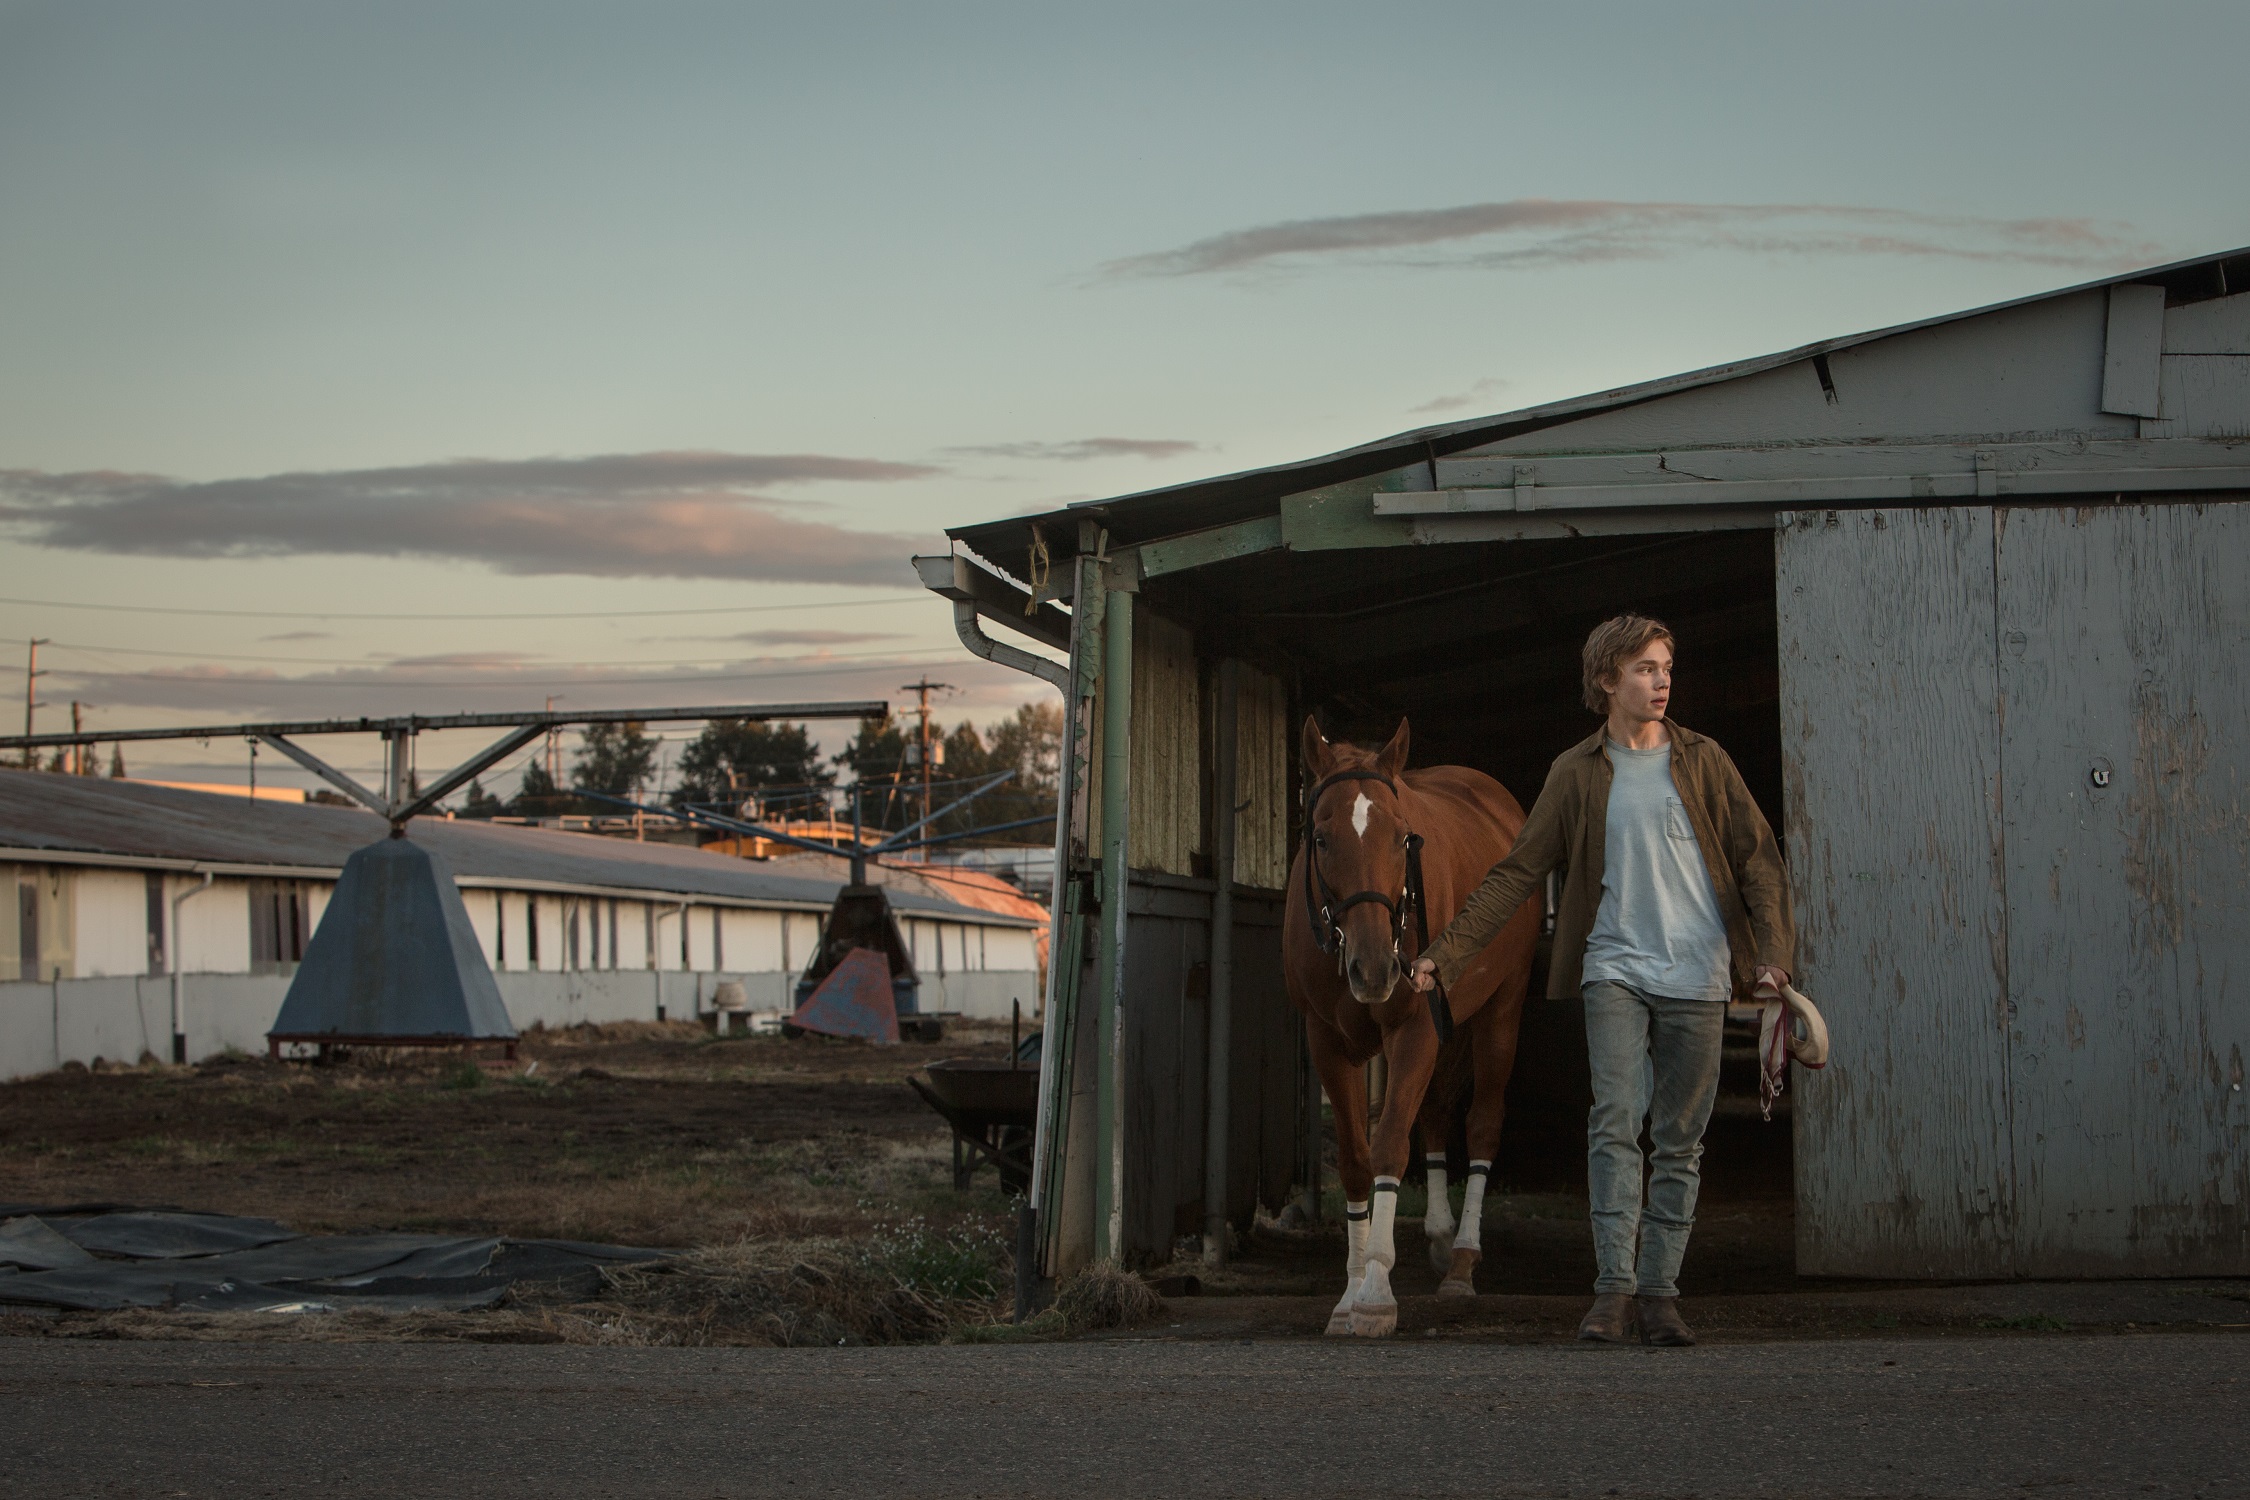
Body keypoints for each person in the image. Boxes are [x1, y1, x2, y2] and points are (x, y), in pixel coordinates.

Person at [1408, 613, 1794, 1347]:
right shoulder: (1575, 772)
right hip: (1614, 965)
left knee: (1680, 1140)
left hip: (1701, 972)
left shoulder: (1706, 761)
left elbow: (1760, 861)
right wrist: (1445, 955)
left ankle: (1660, 1295)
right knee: (1615, 1123)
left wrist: (1771, 956)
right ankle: (1613, 1291)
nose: (1662, 681)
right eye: (1646, 668)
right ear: (1607, 679)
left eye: (1666, 667)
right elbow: (1519, 871)